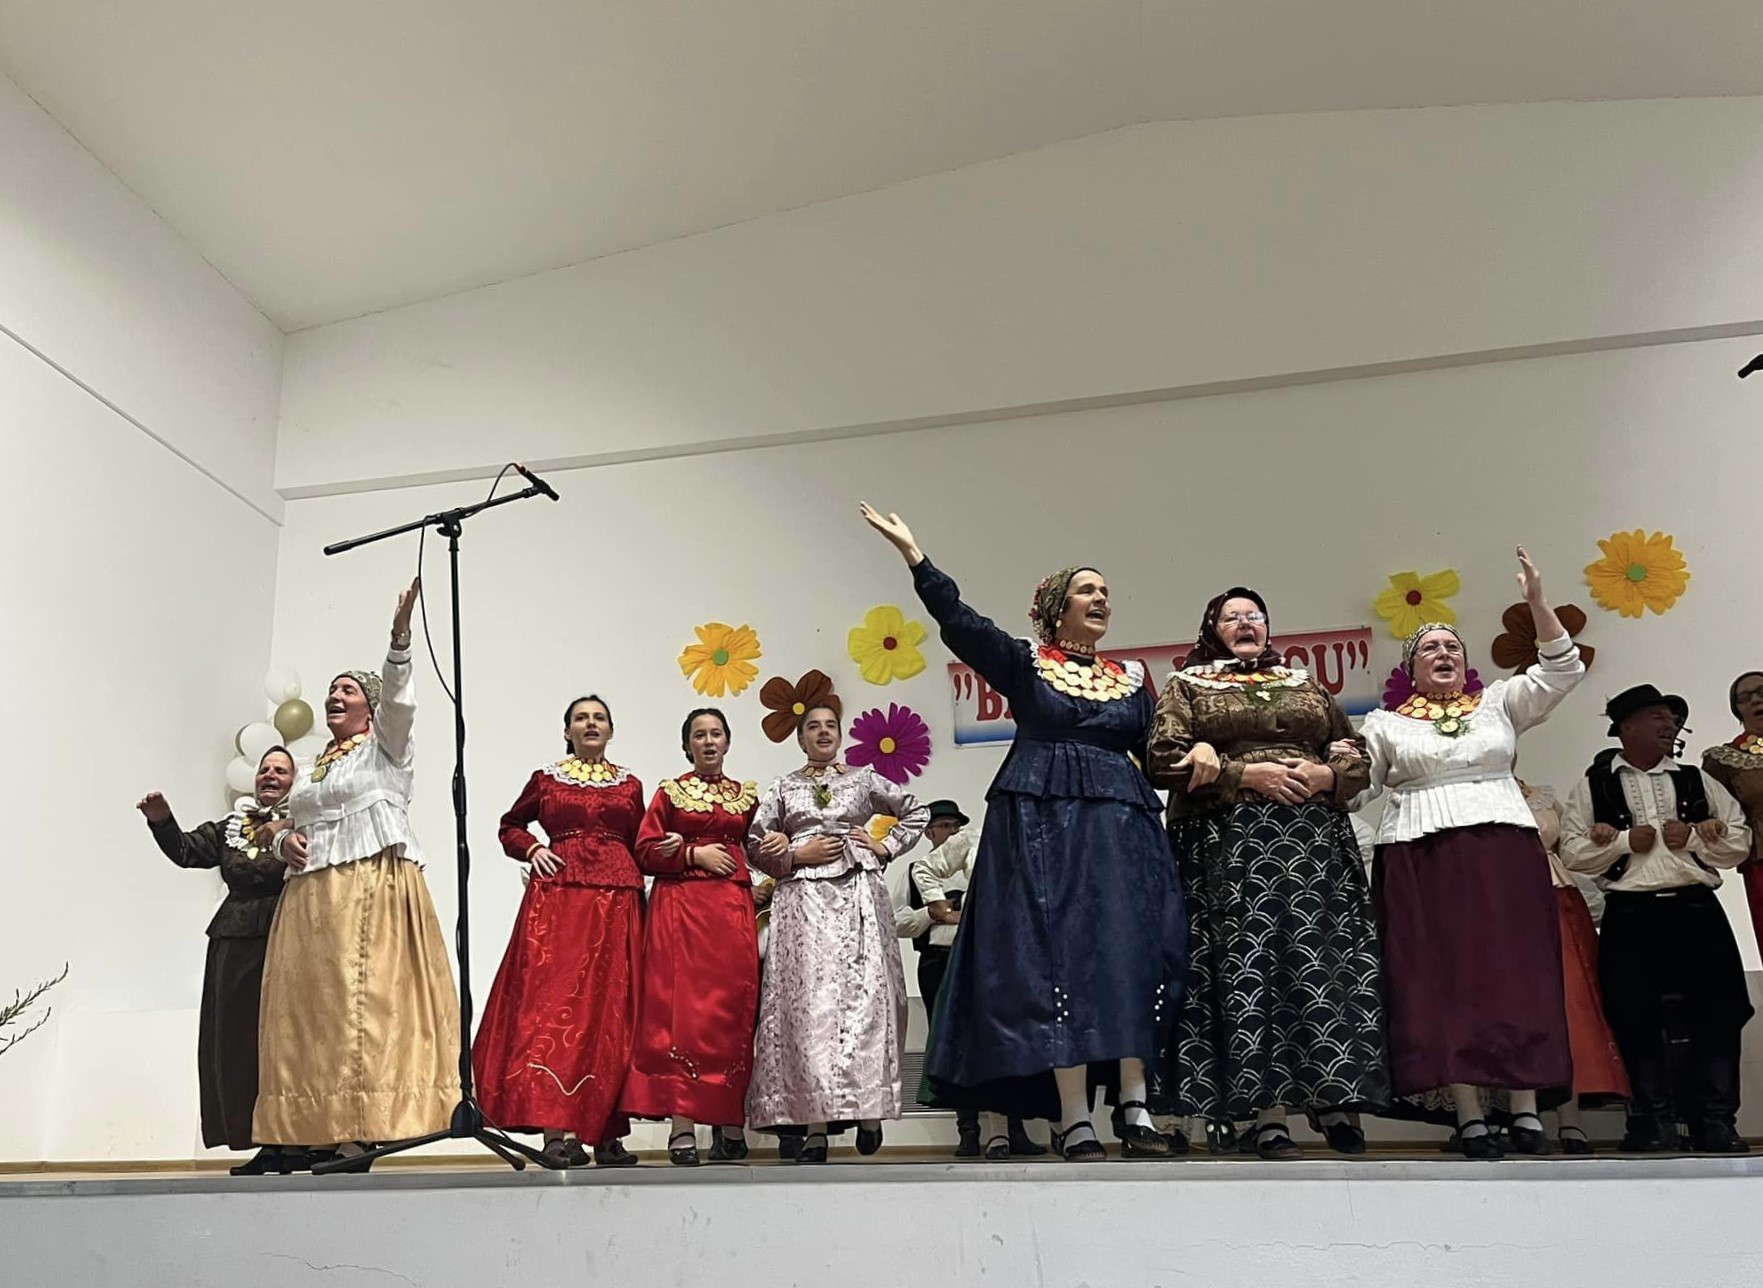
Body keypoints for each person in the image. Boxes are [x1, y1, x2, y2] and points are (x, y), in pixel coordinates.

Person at [860, 502, 1184, 1162]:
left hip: (1122, 825)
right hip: (1041, 821)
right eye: (1087, 589)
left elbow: (1156, 754)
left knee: (1131, 953)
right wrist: (916, 558)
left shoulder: (1130, 680)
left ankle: (1135, 1108)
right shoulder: (1025, 661)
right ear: (1057, 609)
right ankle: (1074, 1116)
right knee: (1055, 957)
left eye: (1105, 590)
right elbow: (962, 624)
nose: (1101, 598)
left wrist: (1201, 753)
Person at [1353, 548, 1581, 1159]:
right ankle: (1470, 1115)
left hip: (1504, 852)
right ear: (1411, 668)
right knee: (1442, 981)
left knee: (1516, 974)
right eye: (1430, 647)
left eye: (1452, 646)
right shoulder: (1385, 725)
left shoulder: (1500, 703)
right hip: (1419, 858)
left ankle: (1527, 1112)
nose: (1444, 653)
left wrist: (1538, 603)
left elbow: (1564, 670)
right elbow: (1352, 788)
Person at [1146, 587, 1385, 1159]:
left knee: (1322, 966)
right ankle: (1265, 1114)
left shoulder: (1305, 684)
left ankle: (1335, 1099)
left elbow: (1351, 748)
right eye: (1231, 617)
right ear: (1213, 629)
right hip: (1229, 849)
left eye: (1254, 615)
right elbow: (1161, 759)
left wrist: (1331, 776)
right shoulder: (1187, 686)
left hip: (1313, 847)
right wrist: (1241, 774)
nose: (1245, 623)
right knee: (1249, 972)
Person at [257, 579, 461, 1169]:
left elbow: (401, 703)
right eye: (330, 691)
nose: (334, 696)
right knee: (311, 1010)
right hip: (311, 897)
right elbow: (282, 824)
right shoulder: (311, 769)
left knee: (364, 1001)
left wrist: (399, 640)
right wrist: (283, 841)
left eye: (347, 690)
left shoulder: (385, 748)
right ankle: (313, 1126)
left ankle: (361, 1127)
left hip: (370, 884)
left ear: (370, 707)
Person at [1561, 684, 1753, 1153]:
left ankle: (1717, 1123)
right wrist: (1625, 842)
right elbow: (1572, 851)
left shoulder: (1696, 780)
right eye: (1658, 717)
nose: (1670, 726)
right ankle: (1654, 1122)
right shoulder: (1593, 785)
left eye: (1672, 719)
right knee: (1634, 1017)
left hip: (1695, 909)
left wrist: (1693, 839)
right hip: (1631, 913)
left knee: (1720, 1012)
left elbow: (1739, 842)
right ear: (1626, 727)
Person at [745, 703, 928, 1163]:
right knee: (810, 1007)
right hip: (802, 901)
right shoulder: (784, 787)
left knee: (866, 998)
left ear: (840, 735)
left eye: (830, 726)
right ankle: (815, 1128)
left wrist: (884, 845)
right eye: (813, 727)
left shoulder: (864, 779)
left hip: (858, 894)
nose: (823, 733)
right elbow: (754, 844)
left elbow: (917, 812)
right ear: (800, 738)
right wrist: (793, 855)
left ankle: (869, 1109)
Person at [473, 695, 644, 1167]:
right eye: (581, 718)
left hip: (618, 900)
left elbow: (641, 842)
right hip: (559, 898)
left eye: (599, 718)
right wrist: (532, 849)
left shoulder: (631, 785)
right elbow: (510, 825)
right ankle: (555, 1129)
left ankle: (605, 1132)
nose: (590, 724)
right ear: (567, 731)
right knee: (552, 1008)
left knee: (612, 1012)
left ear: (611, 729)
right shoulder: (546, 779)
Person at [138, 746, 298, 1175]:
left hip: (288, 936)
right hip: (234, 941)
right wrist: (161, 820)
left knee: (283, 1041)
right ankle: (264, 1141)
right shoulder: (230, 827)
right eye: (264, 769)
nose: (270, 775)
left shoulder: (305, 824)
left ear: (294, 782)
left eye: (281, 771)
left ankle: (299, 1137)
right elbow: (187, 851)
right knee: (239, 1042)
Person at [623, 708, 762, 1166]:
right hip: (680, 910)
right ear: (687, 746)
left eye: (716, 733)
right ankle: (682, 1125)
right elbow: (643, 851)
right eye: (699, 735)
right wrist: (691, 854)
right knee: (682, 1016)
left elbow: (762, 847)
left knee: (730, 1012)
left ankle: (729, 1123)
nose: (708, 741)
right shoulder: (670, 792)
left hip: (731, 913)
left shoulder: (746, 796)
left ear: (728, 741)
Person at [886, 799, 1047, 1159]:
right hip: (939, 959)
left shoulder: (980, 858)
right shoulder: (915, 872)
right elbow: (894, 921)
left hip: (988, 958)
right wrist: (933, 914)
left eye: (955, 825)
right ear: (928, 832)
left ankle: (1013, 1128)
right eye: (944, 825)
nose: (951, 831)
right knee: (951, 1043)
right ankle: (968, 1131)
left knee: (1003, 1039)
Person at [1518, 776, 1629, 1153]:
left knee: (1571, 1004)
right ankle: (1511, 1114)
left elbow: (1571, 846)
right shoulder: (1469, 794)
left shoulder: (1540, 795)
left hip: (1557, 897)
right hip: (1503, 901)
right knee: (1514, 1006)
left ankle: (1570, 1116)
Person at [1701, 671, 1763, 961]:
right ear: (1736, 709)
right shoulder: (1723, 759)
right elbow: (1711, 811)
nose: (1756, 700)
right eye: (1745, 697)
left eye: (1762, 692)